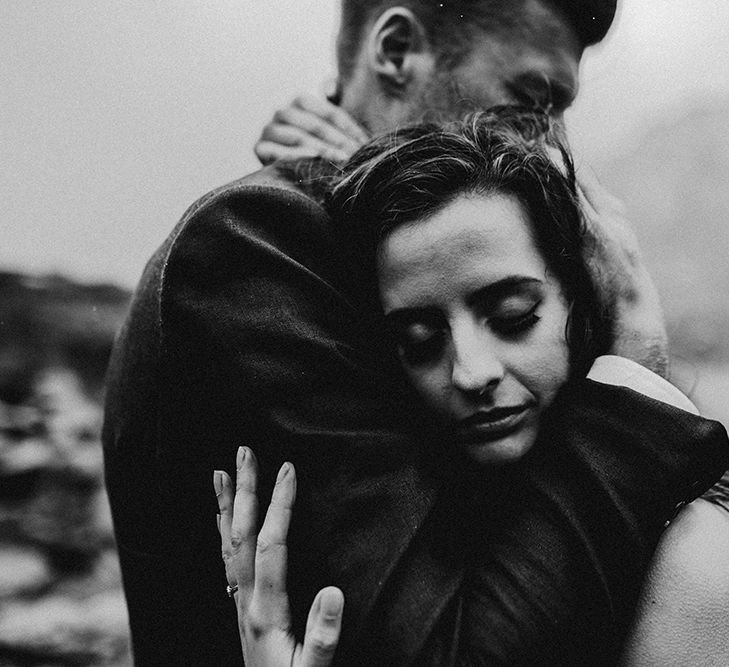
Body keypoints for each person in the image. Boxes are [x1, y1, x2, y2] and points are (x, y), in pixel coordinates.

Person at [102, 2, 725, 664]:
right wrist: (633, 359)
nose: (551, 145)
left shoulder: (364, 237)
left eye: (511, 316)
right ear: (395, 51)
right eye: (529, 101)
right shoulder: (263, 237)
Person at [215, 112, 729, 665]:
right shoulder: (429, 549)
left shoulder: (696, 557)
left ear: (585, 306)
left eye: (513, 317)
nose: (470, 372)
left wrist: (637, 340)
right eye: (419, 340)